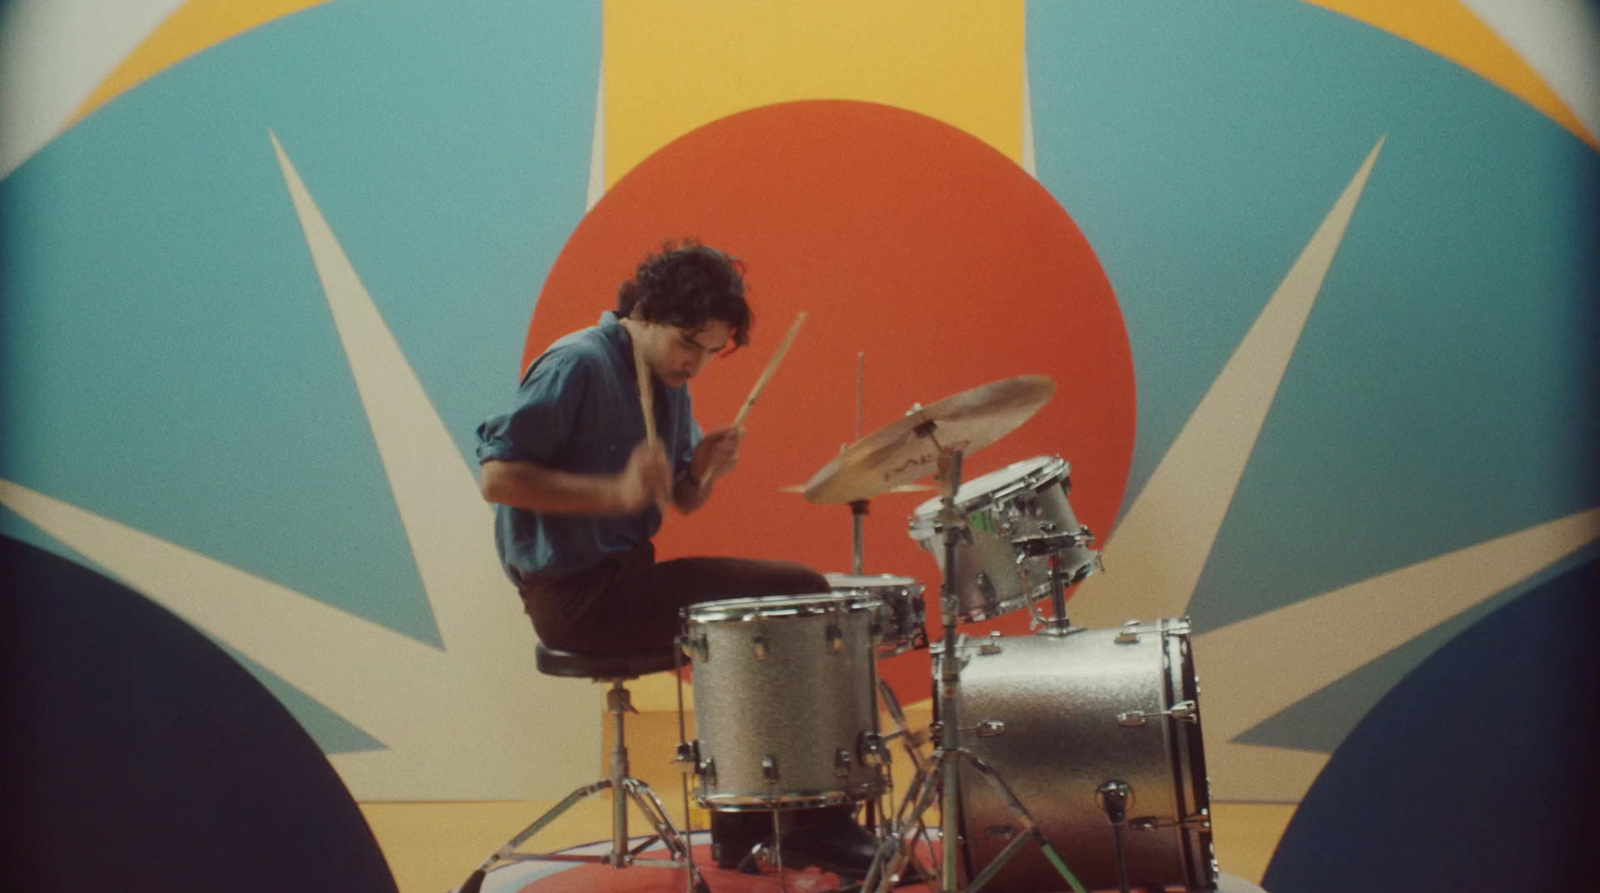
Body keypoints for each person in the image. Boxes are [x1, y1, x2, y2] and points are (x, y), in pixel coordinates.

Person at [474, 241, 878, 877]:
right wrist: (613, 493)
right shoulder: (576, 364)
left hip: (625, 578)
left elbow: (680, 500)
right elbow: (497, 480)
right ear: (647, 312)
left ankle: (750, 828)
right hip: (574, 599)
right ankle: (806, 830)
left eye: (712, 351)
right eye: (689, 342)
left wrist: (704, 472)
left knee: (780, 601)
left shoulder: (665, 379)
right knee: (789, 595)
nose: (697, 363)